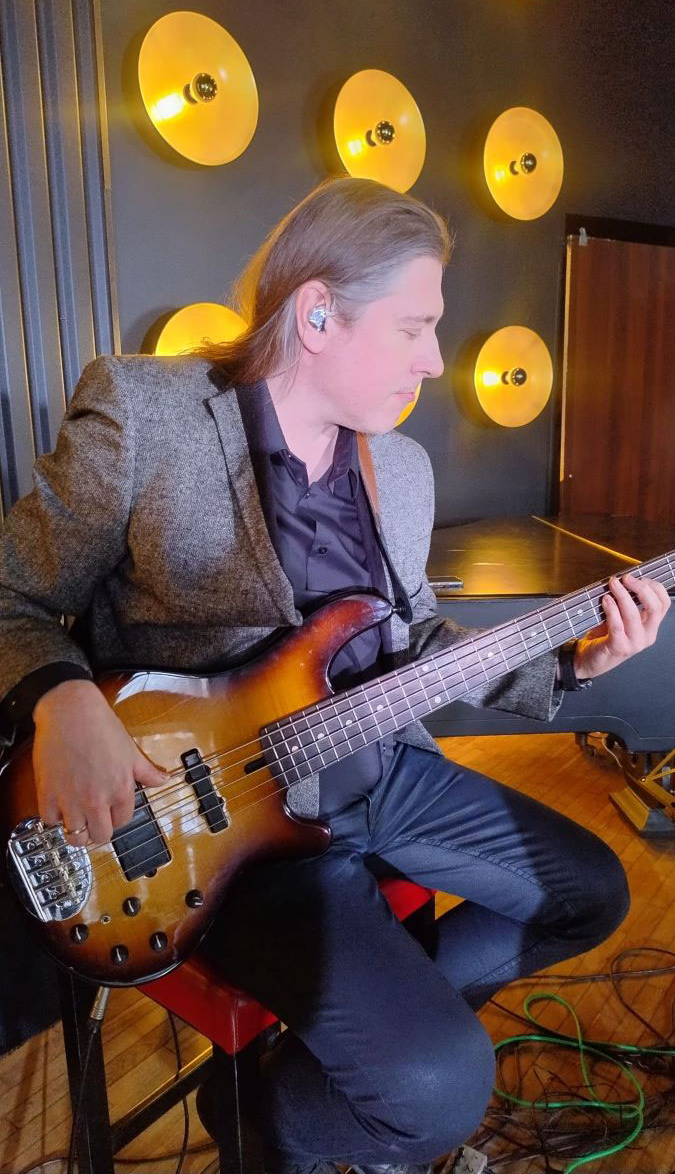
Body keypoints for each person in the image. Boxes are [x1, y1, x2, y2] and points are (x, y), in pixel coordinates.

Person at [0, 177, 669, 1174]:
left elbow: (414, 639)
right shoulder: (146, 413)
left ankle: (306, 1091)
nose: (434, 359)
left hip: (381, 772)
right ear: (317, 314)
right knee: (443, 1090)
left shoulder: (400, 468)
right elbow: (11, 591)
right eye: (414, 327)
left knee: (594, 893)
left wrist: (575, 659)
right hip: (225, 827)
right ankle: (316, 1119)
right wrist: (62, 702)